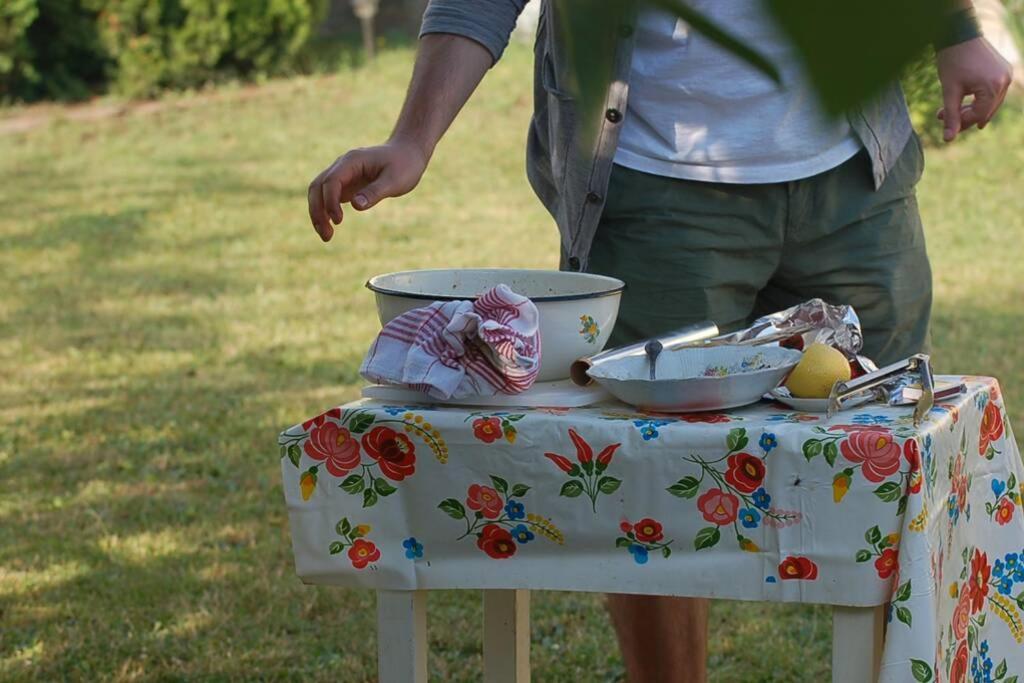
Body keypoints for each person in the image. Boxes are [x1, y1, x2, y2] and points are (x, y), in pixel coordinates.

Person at [307, 1, 1012, 680]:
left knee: (894, 463)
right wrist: (412, 137)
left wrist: (956, 25)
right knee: (648, 481)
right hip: (655, 192)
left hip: (857, 175)